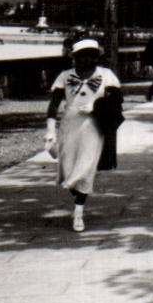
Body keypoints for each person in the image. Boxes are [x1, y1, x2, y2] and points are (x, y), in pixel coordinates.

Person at [46, 39, 123, 232]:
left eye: (91, 55)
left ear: (97, 57)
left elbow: (117, 101)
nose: (86, 59)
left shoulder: (107, 75)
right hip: (69, 126)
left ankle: (78, 213)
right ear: (75, 57)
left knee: (86, 167)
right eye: (81, 56)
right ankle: (77, 194)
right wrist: (49, 131)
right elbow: (54, 105)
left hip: (94, 127)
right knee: (68, 168)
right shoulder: (65, 76)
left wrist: (96, 106)